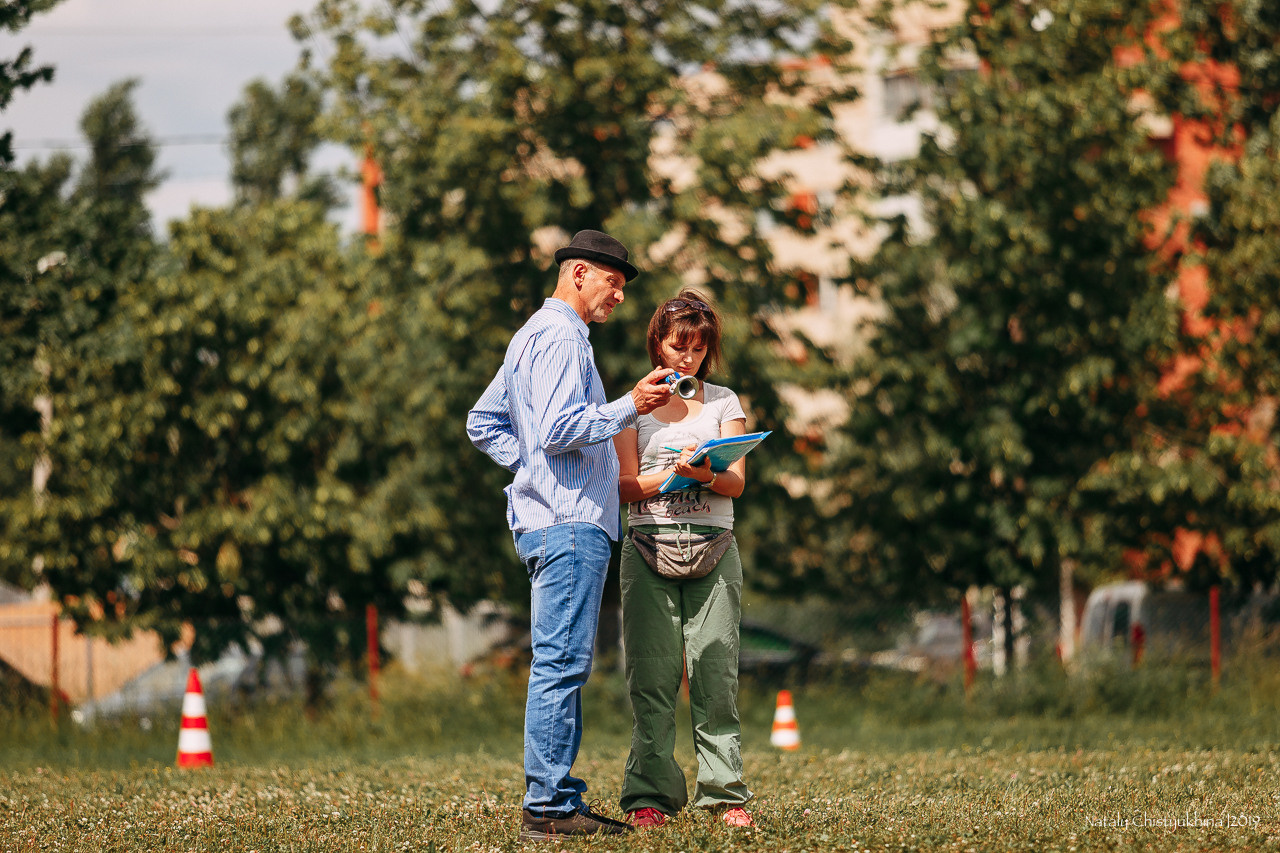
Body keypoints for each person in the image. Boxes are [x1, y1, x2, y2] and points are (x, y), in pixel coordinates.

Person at [466, 229, 675, 842]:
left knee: (557, 661)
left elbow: (484, 422)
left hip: (541, 520)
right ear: (579, 272)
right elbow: (560, 429)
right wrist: (630, 405)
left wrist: (530, 463)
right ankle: (550, 806)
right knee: (561, 664)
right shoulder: (561, 336)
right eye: (613, 282)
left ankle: (552, 798)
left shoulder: (527, 335)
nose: (618, 296)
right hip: (571, 523)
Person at [613, 289, 755, 829]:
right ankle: (649, 797)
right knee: (651, 677)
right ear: (658, 344)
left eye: (697, 348)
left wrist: (705, 474)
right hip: (647, 546)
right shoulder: (633, 406)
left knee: (715, 674)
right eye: (677, 346)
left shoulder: (724, 402)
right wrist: (672, 473)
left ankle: (724, 796)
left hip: (715, 547)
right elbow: (625, 487)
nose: (686, 357)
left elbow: (735, 483)